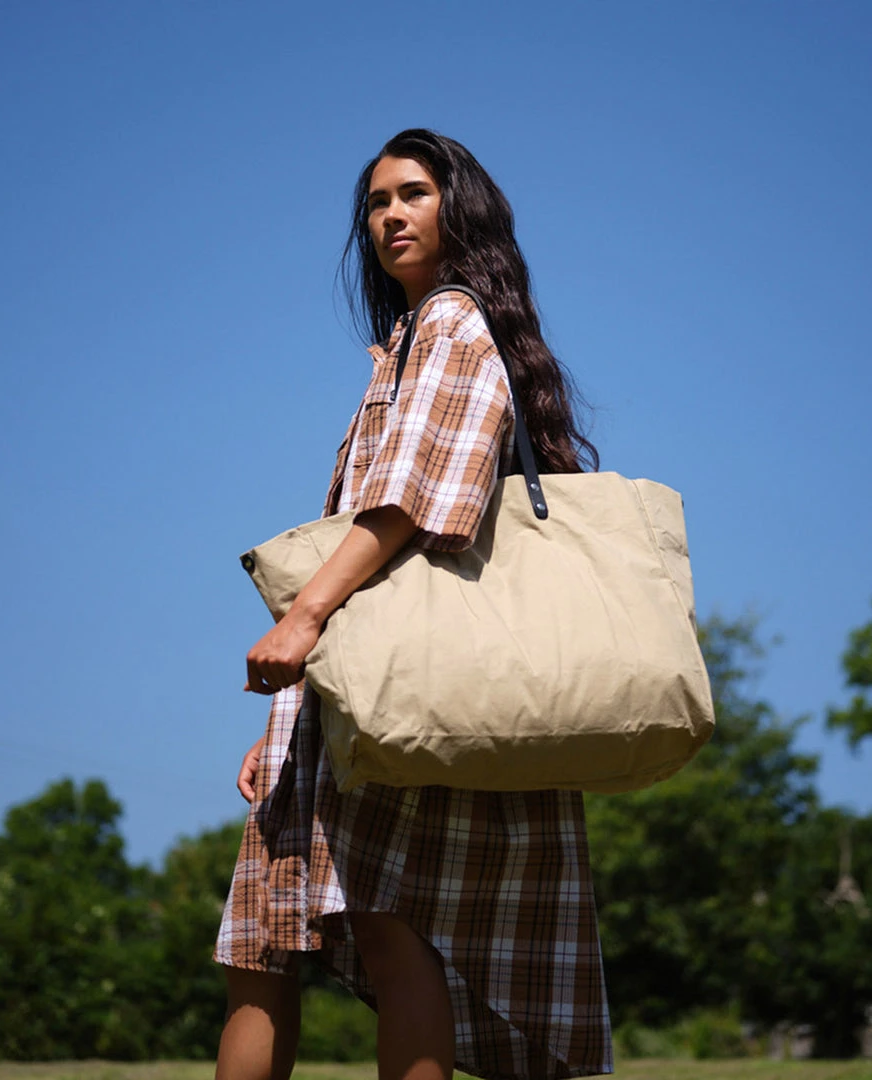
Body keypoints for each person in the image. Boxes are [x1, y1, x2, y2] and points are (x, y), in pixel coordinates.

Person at [214, 129, 612, 1080]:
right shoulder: (403, 341)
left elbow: (410, 502)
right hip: (352, 686)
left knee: (393, 938)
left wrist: (303, 618)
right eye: (376, 203)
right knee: (262, 951)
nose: (390, 214)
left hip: (397, 680)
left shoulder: (452, 324)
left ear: (458, 207)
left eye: (413, 194)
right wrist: (294, 711)